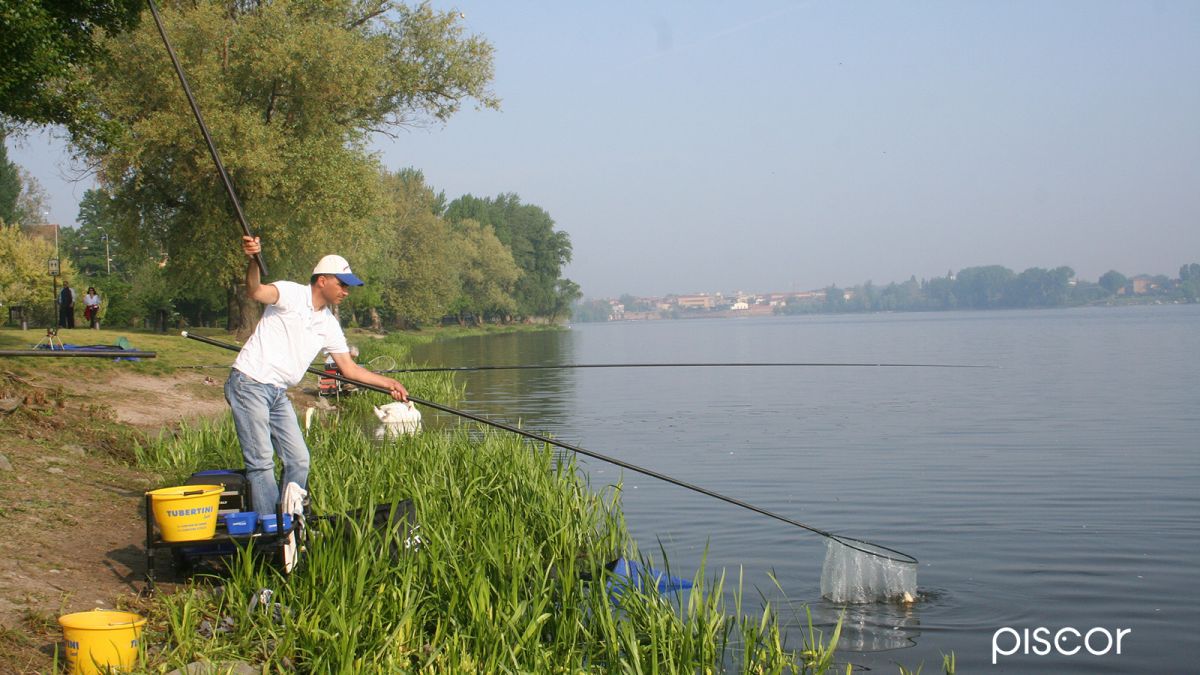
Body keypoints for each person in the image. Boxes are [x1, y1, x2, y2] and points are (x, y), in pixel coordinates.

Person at [226, 235, 408, 516]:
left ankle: (291, 520)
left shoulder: (329, 324)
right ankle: (272, 533)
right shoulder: (290, 293)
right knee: (262, 462)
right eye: (342, 284)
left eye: (349, 286)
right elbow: (255, 291)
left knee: (299, 459)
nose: (346, 291)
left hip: (277, 393)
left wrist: (389, 383)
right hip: (249, 382)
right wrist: (253, 260)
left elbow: (349, 370)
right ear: (322, 280)